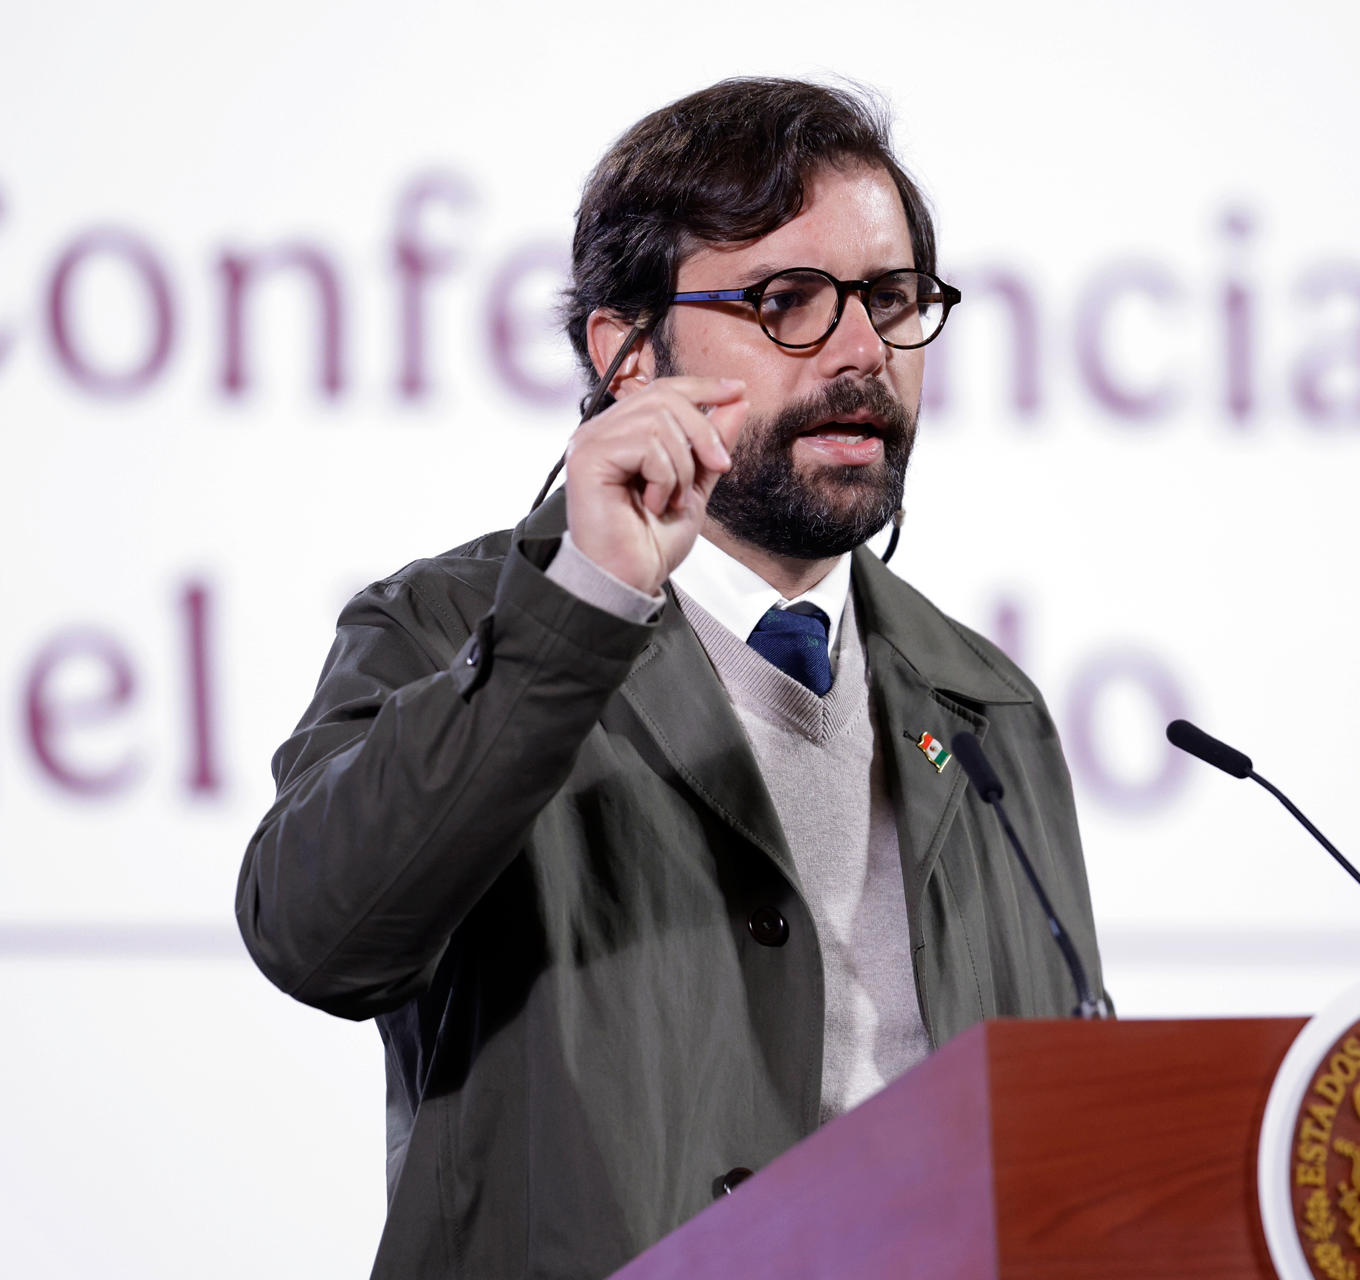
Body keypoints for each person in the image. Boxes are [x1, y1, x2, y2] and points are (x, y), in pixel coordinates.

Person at [235, 77, 1103, 1279]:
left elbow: (1070, 1123)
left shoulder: (984, 701)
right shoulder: (449, 625)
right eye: (785, 301)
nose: (863, 351)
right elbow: (315, 935)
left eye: (893, 301)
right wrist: (582, 607)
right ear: (629, 353)